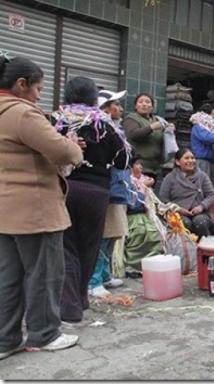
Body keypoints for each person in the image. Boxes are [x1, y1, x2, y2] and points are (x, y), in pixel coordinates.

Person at [0, 56, 83, 359]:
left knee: (8, 278)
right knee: (44, 274)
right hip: (34, 211)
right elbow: (63, 151)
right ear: (20, 84)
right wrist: (72, 145)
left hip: (5, 212)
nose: (39, 95)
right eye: (38, 88)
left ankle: (5, 340)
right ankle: (44, 333)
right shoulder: (22, 113)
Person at [52, 76, 128, 323]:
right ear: (93, 97)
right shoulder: (105, 124)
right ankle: (80, 301)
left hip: (65, 189)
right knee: (89, 247)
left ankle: (70, 307)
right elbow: (123, 160)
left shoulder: (58, 120)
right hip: (97, 193)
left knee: (67, 247)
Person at [88, 89, 130, 297]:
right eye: (116, 105)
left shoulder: (116, 129)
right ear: (104, 108)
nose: (120, 109)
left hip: (118, 187)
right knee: (102, 235)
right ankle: (93, 280)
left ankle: (104, 275)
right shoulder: (99, 130)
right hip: (107, 187)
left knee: (113, 233)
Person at [160, 148, 214, 238]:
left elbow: (211, 195)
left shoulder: (202, 176)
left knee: (200, 222)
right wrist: (179, 209)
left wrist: (201, 206)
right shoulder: (170, 178)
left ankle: (205, 247)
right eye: (187, 158)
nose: (191, 161)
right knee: (184, 223)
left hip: (200, 213)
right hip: (178, 213)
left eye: (192, 158)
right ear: (177, 162)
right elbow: (163, 199)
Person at [124, 156, 163, 272]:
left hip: (145, 215)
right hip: (131, 216)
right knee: (140, 231)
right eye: (137, 164)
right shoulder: (127, 182)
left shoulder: (144, 180)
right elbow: (133, 204)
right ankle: (132, 266)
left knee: (156, 233)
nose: (141, 167)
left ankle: (151, 264)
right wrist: (143, 188)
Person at [123, 93, 166, 185]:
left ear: (152, 107)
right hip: (138, 167)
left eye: (147, 102)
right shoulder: (131, 119)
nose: (144, 104)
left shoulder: (157, 121)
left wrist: (169, 131)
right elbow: (133, 135)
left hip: (154, 168)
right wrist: (151, 127)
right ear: (136, 106)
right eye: (140, 102)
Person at [190, 103, 214, 184]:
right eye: (213, 114)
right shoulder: (198, 127)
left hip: (210, 161)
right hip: (202, 161)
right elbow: (209, 138)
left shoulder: (207, 128)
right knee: (203, 186)